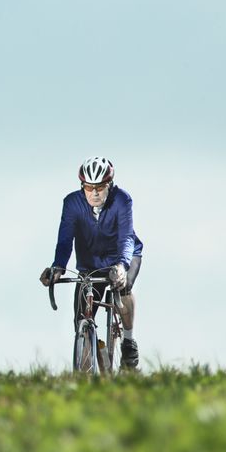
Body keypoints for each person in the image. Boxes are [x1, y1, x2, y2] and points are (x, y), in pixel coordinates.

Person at [40, 156, 144, 370]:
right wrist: (58, 266)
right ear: (82, 186)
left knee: (123, 289)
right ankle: (86, 376)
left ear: (110, 185)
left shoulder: (122, 200)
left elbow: (125, 238)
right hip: (90, 264)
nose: (94, 193)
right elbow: (65, 239)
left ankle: (128, 340)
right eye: (89, 187)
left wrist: (122, 266)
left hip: (122, 257)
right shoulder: (72, 203)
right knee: (81, 319)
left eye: (100, 187)